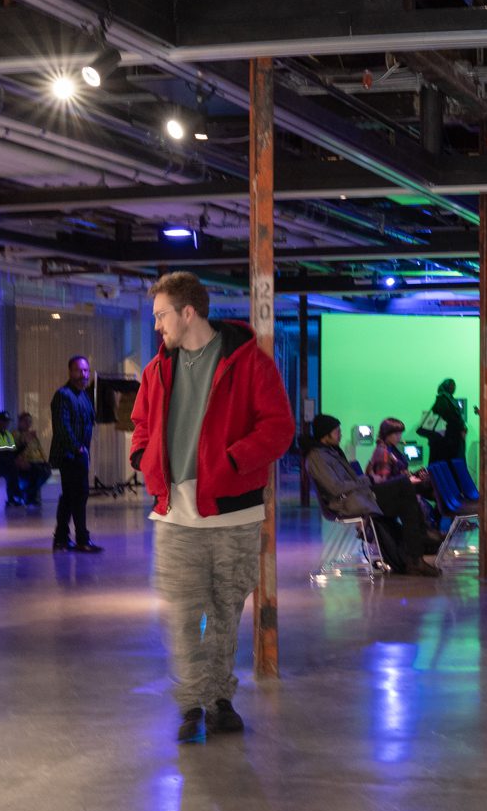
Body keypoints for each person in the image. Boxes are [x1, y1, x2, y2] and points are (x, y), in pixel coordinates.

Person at [130, 272, 295, 744]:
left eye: (162, 315)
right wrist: (143, 458)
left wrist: (233, 461)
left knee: (225, 612)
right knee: (181, 614)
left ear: (188, 312)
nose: (157, 326)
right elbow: (141, 425)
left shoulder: (250, 364)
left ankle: (220, 700)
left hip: (233, 515)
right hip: (174, 515)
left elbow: (278, 428)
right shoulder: (156, 371)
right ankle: (191, 703)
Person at [306, 414, 441, 578]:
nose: (340, 434)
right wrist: (367, 481)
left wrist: (367, 480)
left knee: (407, 496)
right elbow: (335, 488)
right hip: (348, 503)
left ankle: (416, 552)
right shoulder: (317, 457)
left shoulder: (329, 452)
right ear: (325, 434)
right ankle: (419, 546)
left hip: (357, 496)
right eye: (337, 431)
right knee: (405, 487)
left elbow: (351, 481)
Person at [51, 356, 101, 552]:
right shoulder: (62, 395)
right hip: (69, 456)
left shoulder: (84, 396)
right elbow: (61, 426)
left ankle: (62, 538)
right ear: (70, 372)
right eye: (79, 370)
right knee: (77, 497)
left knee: (71, 497)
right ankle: (81, 539)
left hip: (80, 455)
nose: (84, 375)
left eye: (86, 370)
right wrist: (77, 448)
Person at [419, 379, 468, 464]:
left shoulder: (447, 399)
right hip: (447, 444)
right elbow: (448, 419)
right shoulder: (443, 399)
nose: (454, 387)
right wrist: (460, 428)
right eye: (452, 385)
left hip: (449, 443)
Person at [12, 411, 49, 508]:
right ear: (20, 422)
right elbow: (15, 450)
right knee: (38, 472)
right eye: (26, 421)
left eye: (30, 421)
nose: (28, 424)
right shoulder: (15, 434)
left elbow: (39, 448)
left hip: (37, 461)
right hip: (25, 461)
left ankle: (29, 494)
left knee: (46, 471)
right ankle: (29, 496)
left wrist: (45, 460)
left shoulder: (32, 435)